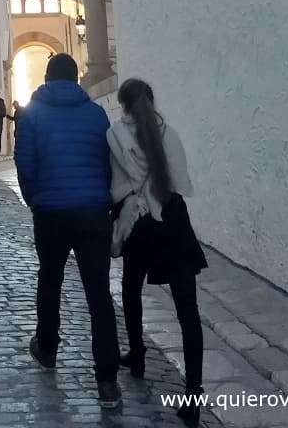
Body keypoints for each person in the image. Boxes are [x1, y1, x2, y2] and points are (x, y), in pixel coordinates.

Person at [14, 53, 122, 409]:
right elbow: (107, 162)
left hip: (51, 212)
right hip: (92, 212)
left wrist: (35, 199)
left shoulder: (30, 114)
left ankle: (47, 348)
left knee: (50, 279)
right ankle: (107, 381)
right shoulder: (95, 113)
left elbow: (25, 163)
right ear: (76, 79)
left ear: (46, 78)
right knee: (98, 295)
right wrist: (100, 198)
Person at [107, 78, 207, 426]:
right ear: (152, 101)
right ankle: (193, 393)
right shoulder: (171, 134)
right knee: (188, 311)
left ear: (123, 106)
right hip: (173, 220)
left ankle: (136, 354)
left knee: (131, 290)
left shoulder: (116, 136)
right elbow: (179, 180)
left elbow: (117, 187)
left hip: (140, 224)